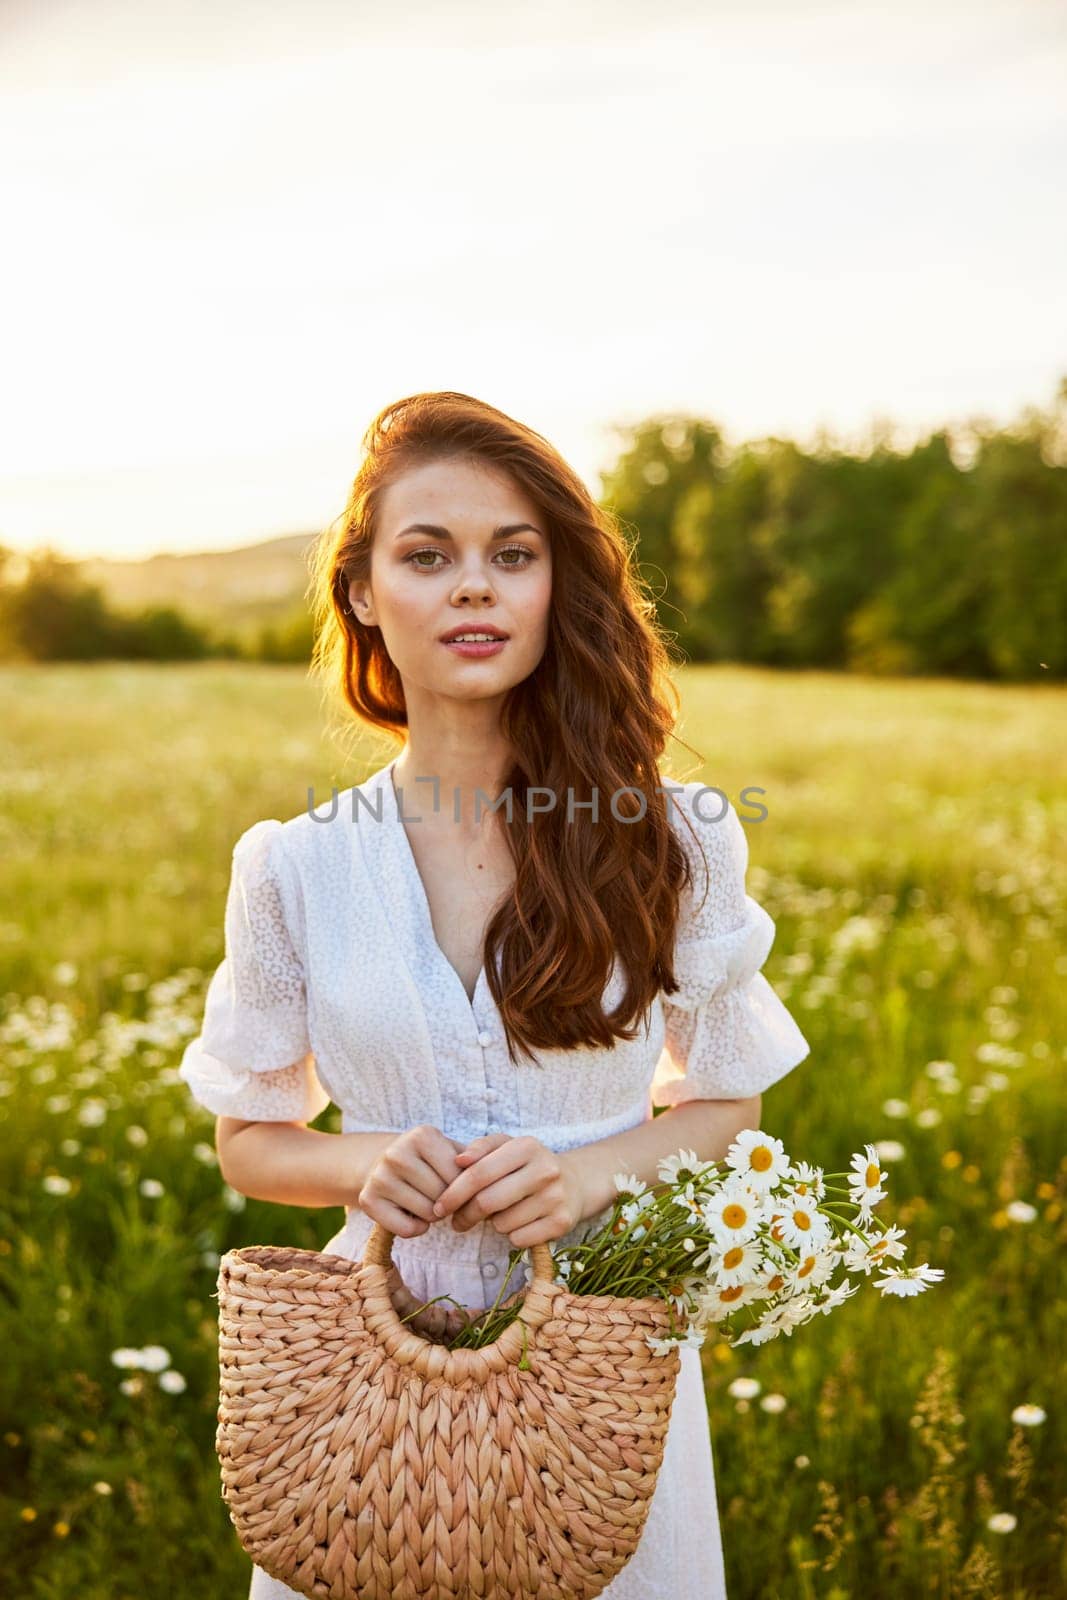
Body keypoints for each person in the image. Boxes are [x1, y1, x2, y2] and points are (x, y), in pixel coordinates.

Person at [178, 390, 812, 1599]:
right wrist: (358, 1163)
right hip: (369, 1366)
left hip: (600, 1360)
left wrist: (584, 1173)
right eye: (427, 555)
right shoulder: (295, 865)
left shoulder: (672, 836)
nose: (473, 587)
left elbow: (729, 1100)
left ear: (549, 586)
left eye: (510, 556)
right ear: (363, 591)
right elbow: (248, 1139)